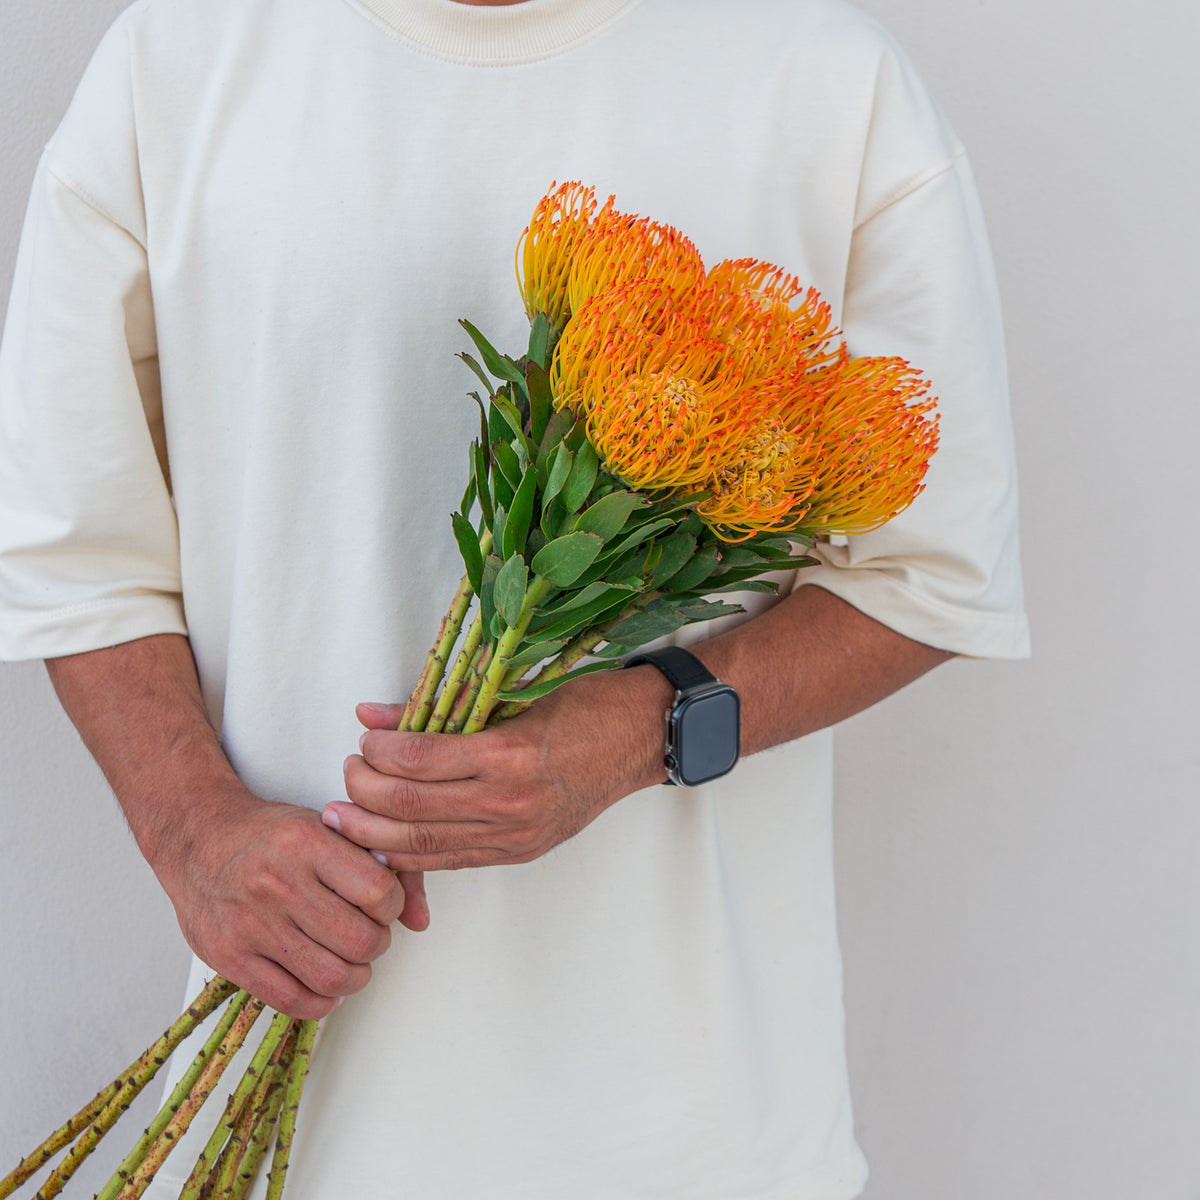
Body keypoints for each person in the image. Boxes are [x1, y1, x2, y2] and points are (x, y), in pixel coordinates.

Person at [0, 0, 1029, 1195]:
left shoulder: (830, 79)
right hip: (300, 1124)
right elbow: (74, 542)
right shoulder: (174, 59)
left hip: (702, 1131)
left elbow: (932, 573)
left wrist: (645, 730)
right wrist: (194, 834)